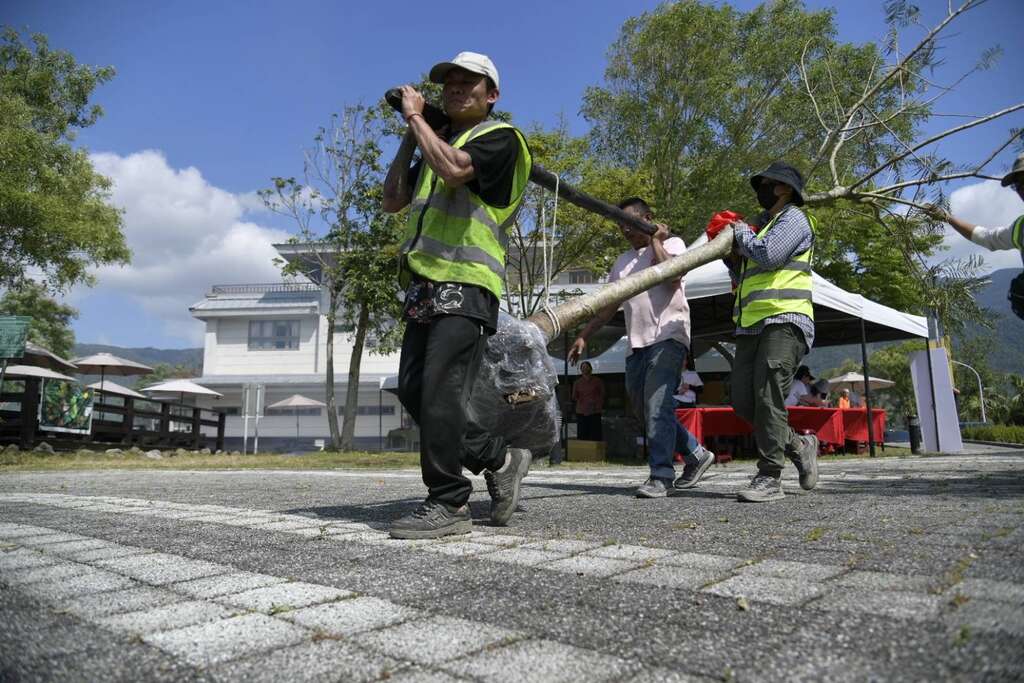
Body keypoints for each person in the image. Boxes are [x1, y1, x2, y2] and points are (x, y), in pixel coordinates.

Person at [382, 52, 533, 538]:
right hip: (426, 282)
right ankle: (499, 459)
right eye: (449, 83)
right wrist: (414, 132)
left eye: (470, 83)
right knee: (413, 389)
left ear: (491, 95)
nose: (456, 89)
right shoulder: (435, 141)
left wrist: (414, 116)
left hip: (467, 280)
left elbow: (454, 172)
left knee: (443, 388)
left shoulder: (502, 137)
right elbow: (391, 200)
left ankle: (448, 502)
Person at [569, 197, 715, 498]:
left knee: (657, 406)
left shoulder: (673, 245)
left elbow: (673, 275)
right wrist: (584, 335)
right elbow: (608, 306)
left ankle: (661, 474)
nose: (624, 229)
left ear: (647, 218)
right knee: (644, 410)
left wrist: (656, 241)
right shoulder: (621, 262)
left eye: (630, 222)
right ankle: (695, 453)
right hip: (635, 345)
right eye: (619, 223)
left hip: (668, 336)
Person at [708, 161, 820, 503]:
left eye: (768, 183)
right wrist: (727, 246)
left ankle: (770, 476)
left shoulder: (794, 219)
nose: (762, 188)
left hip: (786, 319)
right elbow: (744, 270)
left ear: (784, 188)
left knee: (769, 396)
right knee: (743, 401)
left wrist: (739, 231)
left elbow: (769, 256)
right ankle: (800, 445)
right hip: (750, 325)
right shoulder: (763, 224)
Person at [928, 152, 1024, 320]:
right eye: (1018, 185)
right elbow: (986, 237)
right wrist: (947, 218)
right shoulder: (1021, 228)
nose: (1021, 190)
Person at [572, 361, 605, 441]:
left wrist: (596, 403)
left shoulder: (598, 381)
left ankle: (595, 452)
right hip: (582, 411)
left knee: (595, 433)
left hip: (595, 410)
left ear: (590, 368)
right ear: (581, 370)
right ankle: (583, 451)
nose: (585, 369)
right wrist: (582, 401)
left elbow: (603, 394)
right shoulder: (577, 382)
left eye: (587, 367)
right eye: (583, 367)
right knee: (582, 433)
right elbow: (574, 396)